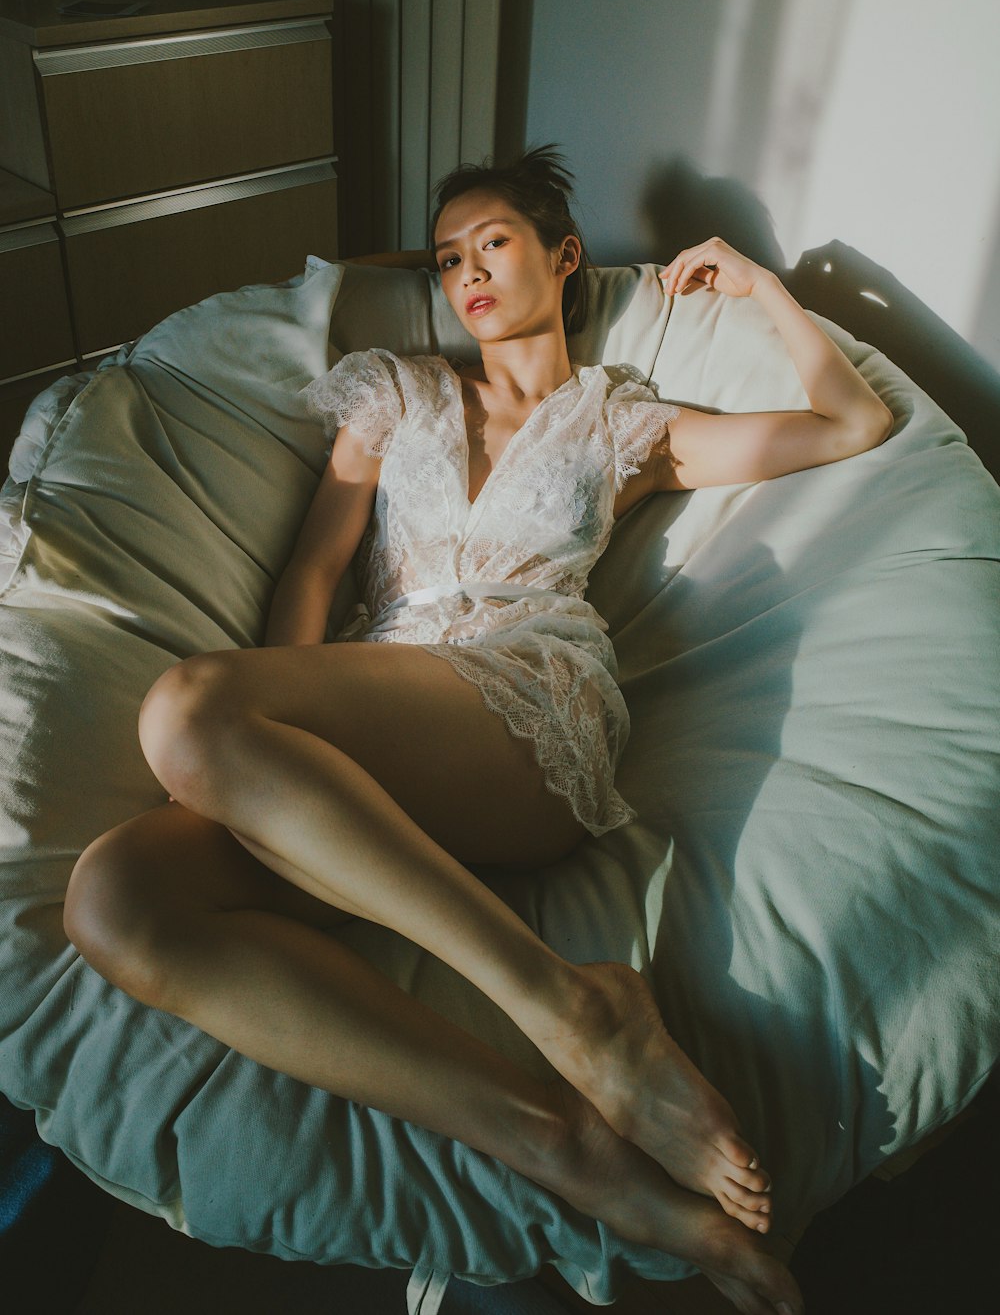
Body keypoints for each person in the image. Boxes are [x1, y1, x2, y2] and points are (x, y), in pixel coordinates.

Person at [64, 146, 892, 1315]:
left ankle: (573, 1005)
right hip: (372, 703)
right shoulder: (389, 391)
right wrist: (259, 771)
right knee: (115, 898)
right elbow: (315, 567)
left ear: (563, 258)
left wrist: (759, 285)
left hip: (525, 703)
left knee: (188, 706)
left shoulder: (623, 423)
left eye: (492, 242)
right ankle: (557, 1139)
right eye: (446, 257)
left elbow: (849, 420)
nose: (466, 272)